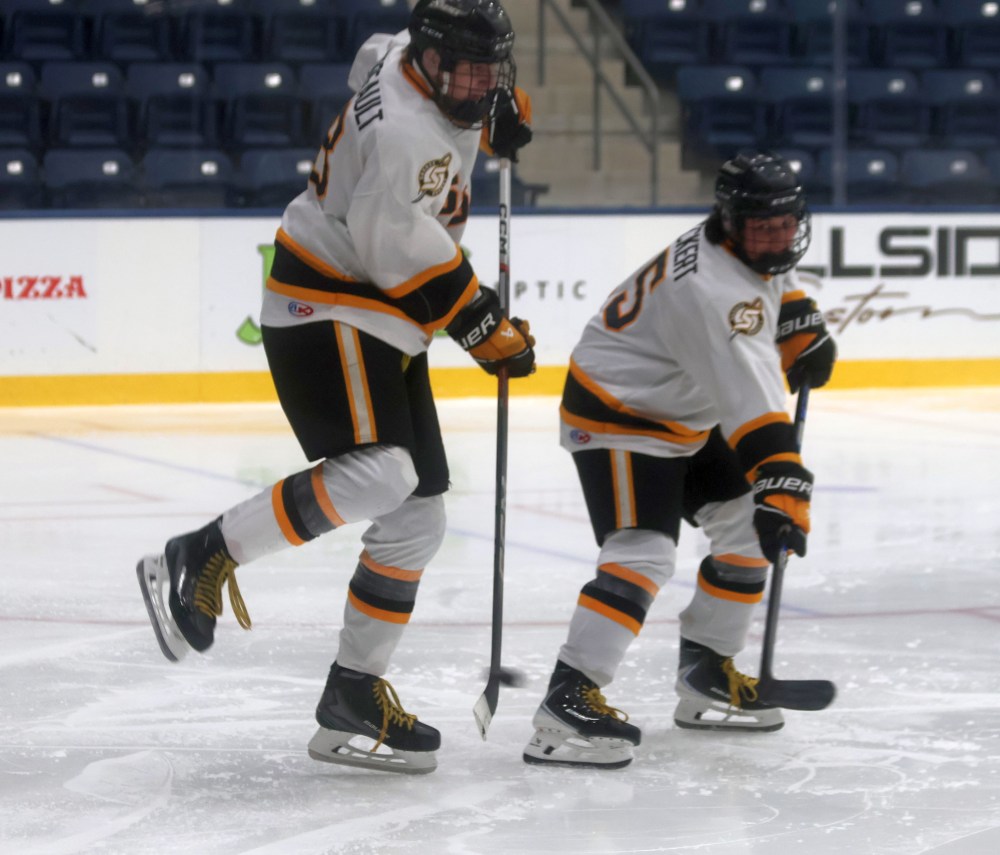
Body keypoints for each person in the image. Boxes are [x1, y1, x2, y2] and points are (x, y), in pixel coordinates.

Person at [136, 0, 535, 776]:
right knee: (385, 473)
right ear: (430, 61)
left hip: (376, 315)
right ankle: (204, 553)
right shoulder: (403, 136)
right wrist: (482, 322)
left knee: (416, 522)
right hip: (328, 301)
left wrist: (487, 118)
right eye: (471, 72)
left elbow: (368, 54)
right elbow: (399, 254)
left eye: (493, 71)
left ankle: (352, 692)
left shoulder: (403, 58)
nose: (484, 84)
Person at [523, 151, 837, 769]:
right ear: (731, 219)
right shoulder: (713, 292)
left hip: (680, 406)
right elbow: (752, 408)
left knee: (747, 527)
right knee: (643, 554)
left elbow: (771, 279)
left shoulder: (738, 243)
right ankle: (567, 700)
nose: (776, 240)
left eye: (784, 226)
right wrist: (786, 487)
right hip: (618, 412)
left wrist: (798, 323)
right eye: (763, 228)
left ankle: (706, 674)